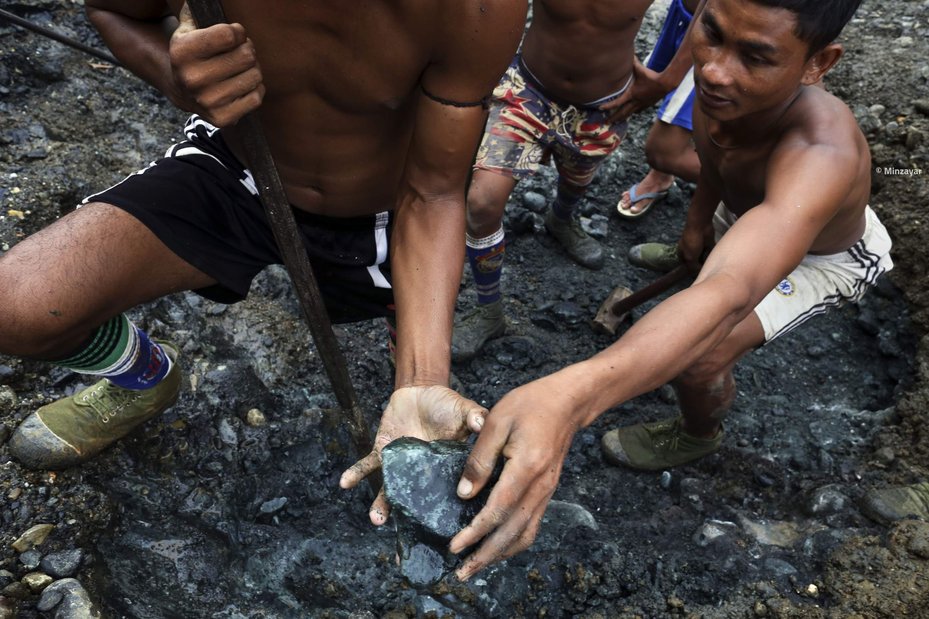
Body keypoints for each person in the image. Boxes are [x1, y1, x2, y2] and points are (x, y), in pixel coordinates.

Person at [3, 0, 527, 540]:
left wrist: (422, 379)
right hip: (234, 169)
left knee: (416, 323)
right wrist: (175, 75)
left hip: (385, 212)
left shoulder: (478, 9)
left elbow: (434, 188)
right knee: (19, 307)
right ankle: (143, 377)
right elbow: (114, 10)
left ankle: (406, 363)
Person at [445, 0, 893, 580]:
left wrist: (571, 396)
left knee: (702, 353)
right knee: (701, 277)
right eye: (711, 33)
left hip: (821, 255)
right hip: (750, 214)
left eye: (756, 56)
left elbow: (731, 287)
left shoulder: (821, 154)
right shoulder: (725, 91)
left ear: (818, 63)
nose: (713, 70)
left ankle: (698, 433)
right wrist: (697, 222)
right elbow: (716, 159)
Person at [450, 0, 699, 363]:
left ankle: (561, 219)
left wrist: (668, 80)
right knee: (483, 202)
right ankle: (489, 311)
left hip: (605, 105)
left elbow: (710, 7)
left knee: (577, 176)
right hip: (527, 92)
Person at [616, 0, 701, 220]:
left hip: (715, 25)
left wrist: (668, 80)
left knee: (661, 153)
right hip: (685, 10)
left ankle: (754, 184)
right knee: (643, 77)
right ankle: (662, 174)